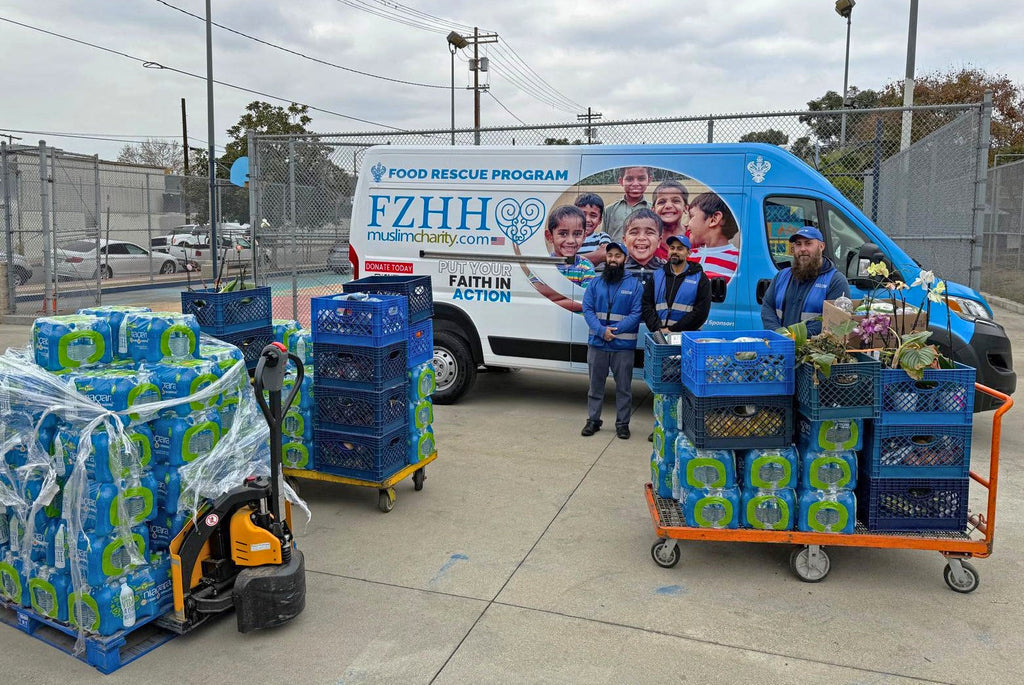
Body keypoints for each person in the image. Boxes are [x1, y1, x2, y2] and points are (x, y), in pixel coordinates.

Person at [641, 233, 711, 441]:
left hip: (686, 341)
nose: (675, 251)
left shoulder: (700, 278)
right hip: (661, 341)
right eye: (672, 248)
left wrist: (677, 329)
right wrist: (658, 329)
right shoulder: (657, 276)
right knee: (662, 389)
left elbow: (701, 311)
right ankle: (662, 428)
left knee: (684, 387)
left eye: (680, 248)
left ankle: (683, 429)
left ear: (688, 253)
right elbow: (647, 305)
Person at [581, 241, 643, 440]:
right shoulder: (595, 282)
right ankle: (593, 420)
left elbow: (637, 313)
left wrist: (614, 331)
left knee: (624, 388)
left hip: (623, 346)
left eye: (618, 256)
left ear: (625, 259)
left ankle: (623, 424)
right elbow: (587, 309)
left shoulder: (634, 285)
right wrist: (601, 331)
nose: (613, 259)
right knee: (595, 386)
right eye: (610, 256)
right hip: (598, 344)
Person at [760, 226, 851, 336]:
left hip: (815, 350)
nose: (802, 249)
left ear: (821, 246)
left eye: (808, 243)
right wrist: (779, 334)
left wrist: (796, 336)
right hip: (781, 346)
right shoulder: (781, 276)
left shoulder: (835, 281)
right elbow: (767, 307)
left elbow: (834, 321)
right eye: (798, 244)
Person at [686, 192, 741, 282]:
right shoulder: (689, 255)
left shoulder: (737, 260)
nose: (687, 224)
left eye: (691, 216)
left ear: (714, 219)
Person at [546, 205, 596, 287]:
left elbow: (586, 298)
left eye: (577, 234)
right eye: (563, 234)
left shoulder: (585, 268)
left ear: (584, 237)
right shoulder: (543, 266)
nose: (571, 241)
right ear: (550, 236)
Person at [603, 166, 652, 241]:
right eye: (629, 179)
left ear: (649, 180)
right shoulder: (610, 210)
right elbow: (604, 239)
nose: (635, 183)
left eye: (641, 179)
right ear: (621, 181)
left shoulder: (653, 209)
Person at [621, 208, 666, 282]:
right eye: (634, 232)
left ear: (659, 241)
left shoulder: (668, 270)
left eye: (649, 233)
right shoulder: (614, 269)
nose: (641, 238)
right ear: (625, 240)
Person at [651, 179, 690, 260]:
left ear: (685, 208)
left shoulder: (694, 236)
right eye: (661, 202)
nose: (668, 206)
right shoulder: (649, 240)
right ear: (653, 210)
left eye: (676, 201)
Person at [575, 193, 611, 268]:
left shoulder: (602, 237)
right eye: (582, 214)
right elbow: (561, 260)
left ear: (600, 220)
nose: (587, 220)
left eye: (593, 216)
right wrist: (596, 256)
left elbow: (605, 254)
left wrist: (573, 260)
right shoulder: (568, 238)